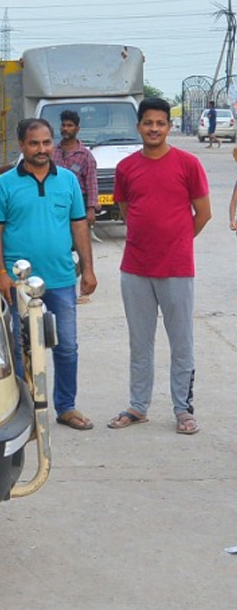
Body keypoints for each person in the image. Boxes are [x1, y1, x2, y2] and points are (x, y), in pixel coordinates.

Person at [0, 118, 96, 430]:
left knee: (67, 346)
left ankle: (66, 406)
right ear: (22, 146)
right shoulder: (5, 184)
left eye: (46, 142)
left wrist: (88, 269)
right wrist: (1, 272)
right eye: (34, 143)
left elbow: (78, 225)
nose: (41, 149)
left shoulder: (68, 182)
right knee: (22, 348)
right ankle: (25, 408)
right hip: (18, 284)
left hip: (60, 279)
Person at [108, 97, 210, 434]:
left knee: (181, 342)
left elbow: (203, 213)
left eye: (160, 123)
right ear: (138, 126)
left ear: (168, 127)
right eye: (148, 123)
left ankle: (183, 409)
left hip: (177, 269)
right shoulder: (126, 168)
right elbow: (125, 208)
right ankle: (138, 406)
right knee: (141, 342)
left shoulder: (188, 163)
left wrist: (178, 242)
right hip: (135, 268)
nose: (154, 129)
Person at [51, 109, 98, 226]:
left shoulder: (85, 155)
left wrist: (91, 209)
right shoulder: (52, 152)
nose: (65, 128)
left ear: (77, 129)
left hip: (78, 201)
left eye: (70, 125)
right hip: (55, 200)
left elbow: (91, 184)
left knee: (78, 238)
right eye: (63, 125)